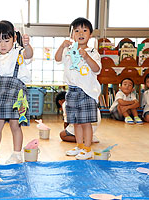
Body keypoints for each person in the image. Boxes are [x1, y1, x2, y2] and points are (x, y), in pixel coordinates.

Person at [0, 20, 33, 164]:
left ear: (14, 38)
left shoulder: (19, 52)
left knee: (16, 125)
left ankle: (16, 154)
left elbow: (28, 55)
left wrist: (26, 45)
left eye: (6, 40)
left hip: (17, 93)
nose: (3, 45)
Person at [55, 17, 101, 160]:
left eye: (85, 30)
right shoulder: (69, 50)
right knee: (75, 121)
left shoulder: (93, 51)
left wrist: (86, 56)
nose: (81, 33)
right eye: (77, 30)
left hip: (87, 92)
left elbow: (97, 69)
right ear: (71, 35)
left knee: (86, 122)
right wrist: (62, 47)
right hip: (72, 91)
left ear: (90, 34)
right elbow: (57, 59)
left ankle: (87, 148)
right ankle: (80, 146)